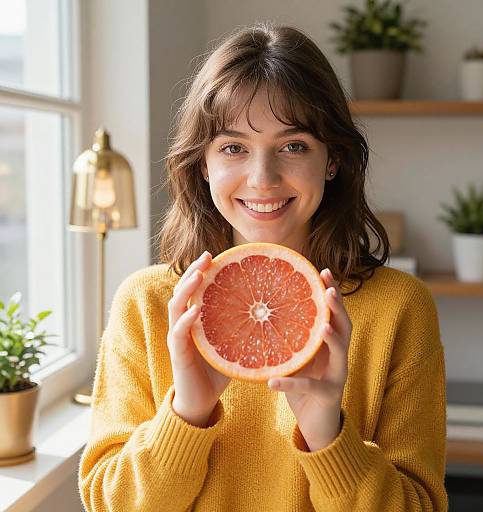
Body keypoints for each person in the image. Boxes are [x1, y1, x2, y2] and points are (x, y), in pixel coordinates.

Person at [78, 22, 448, 512]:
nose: (263, 178)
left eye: (293, 146)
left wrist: (326, 431)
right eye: (233, 147)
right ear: (204, 163)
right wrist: (187, 412)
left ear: (332, 159)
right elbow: (110, 504)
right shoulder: (146, 304)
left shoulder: (400, 308)